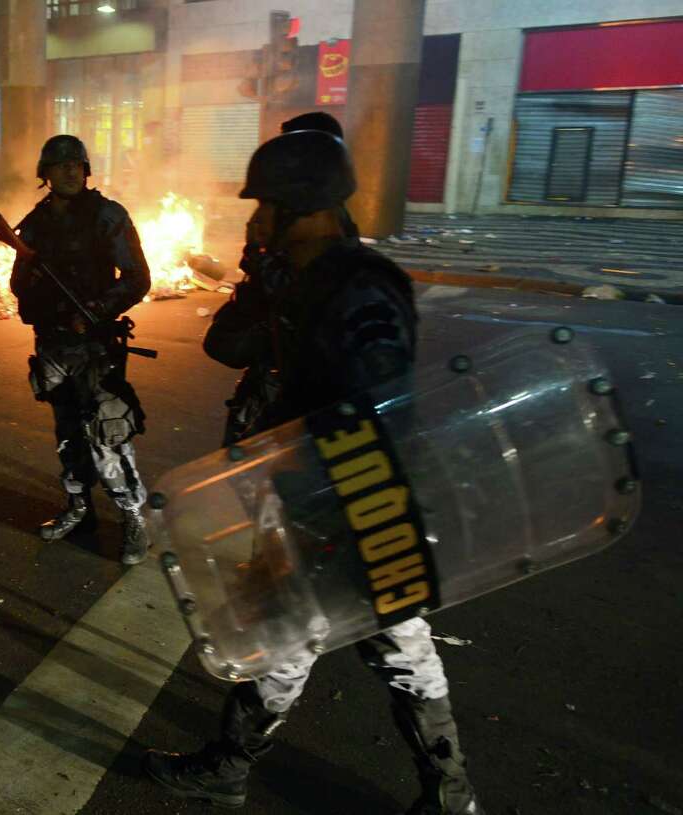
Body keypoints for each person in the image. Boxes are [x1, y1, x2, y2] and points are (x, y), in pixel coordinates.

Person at [142, 130, 487, 815]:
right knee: (295, 639)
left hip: (360, 502)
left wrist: (321, 500)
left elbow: (375, 415)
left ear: (299, 206)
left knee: (389, 646)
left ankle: (448, 794)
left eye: (263, 205)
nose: (252, 219)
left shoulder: (360, 289)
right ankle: (242, 766)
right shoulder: (305, 281)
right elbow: (230, 342)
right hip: (317, 499)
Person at [10, 135, 153, 564]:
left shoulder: (107, 216)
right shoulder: (34, 224)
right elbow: (17, 285)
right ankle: (78, 507)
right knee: (68, 432)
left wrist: (93, 310)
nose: (71, 170)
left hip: (97, 346)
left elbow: (137, 278)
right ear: (46, 175)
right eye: (61, 165)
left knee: (108, 430)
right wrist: (35, 282)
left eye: (77, 163)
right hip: (54, 346)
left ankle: (132, 517)